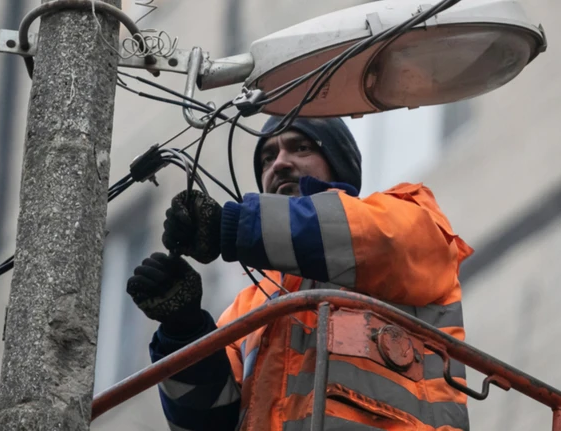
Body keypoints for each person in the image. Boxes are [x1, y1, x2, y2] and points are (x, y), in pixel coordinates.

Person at [126, 116, 474, 431]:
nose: (279, 163)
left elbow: (369, 238)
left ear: (338, 165)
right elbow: (208, 426)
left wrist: (233, 227)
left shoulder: (412, 217)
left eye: (301, 147)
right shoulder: (248, 308)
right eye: (267, 157)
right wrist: (183, 330)